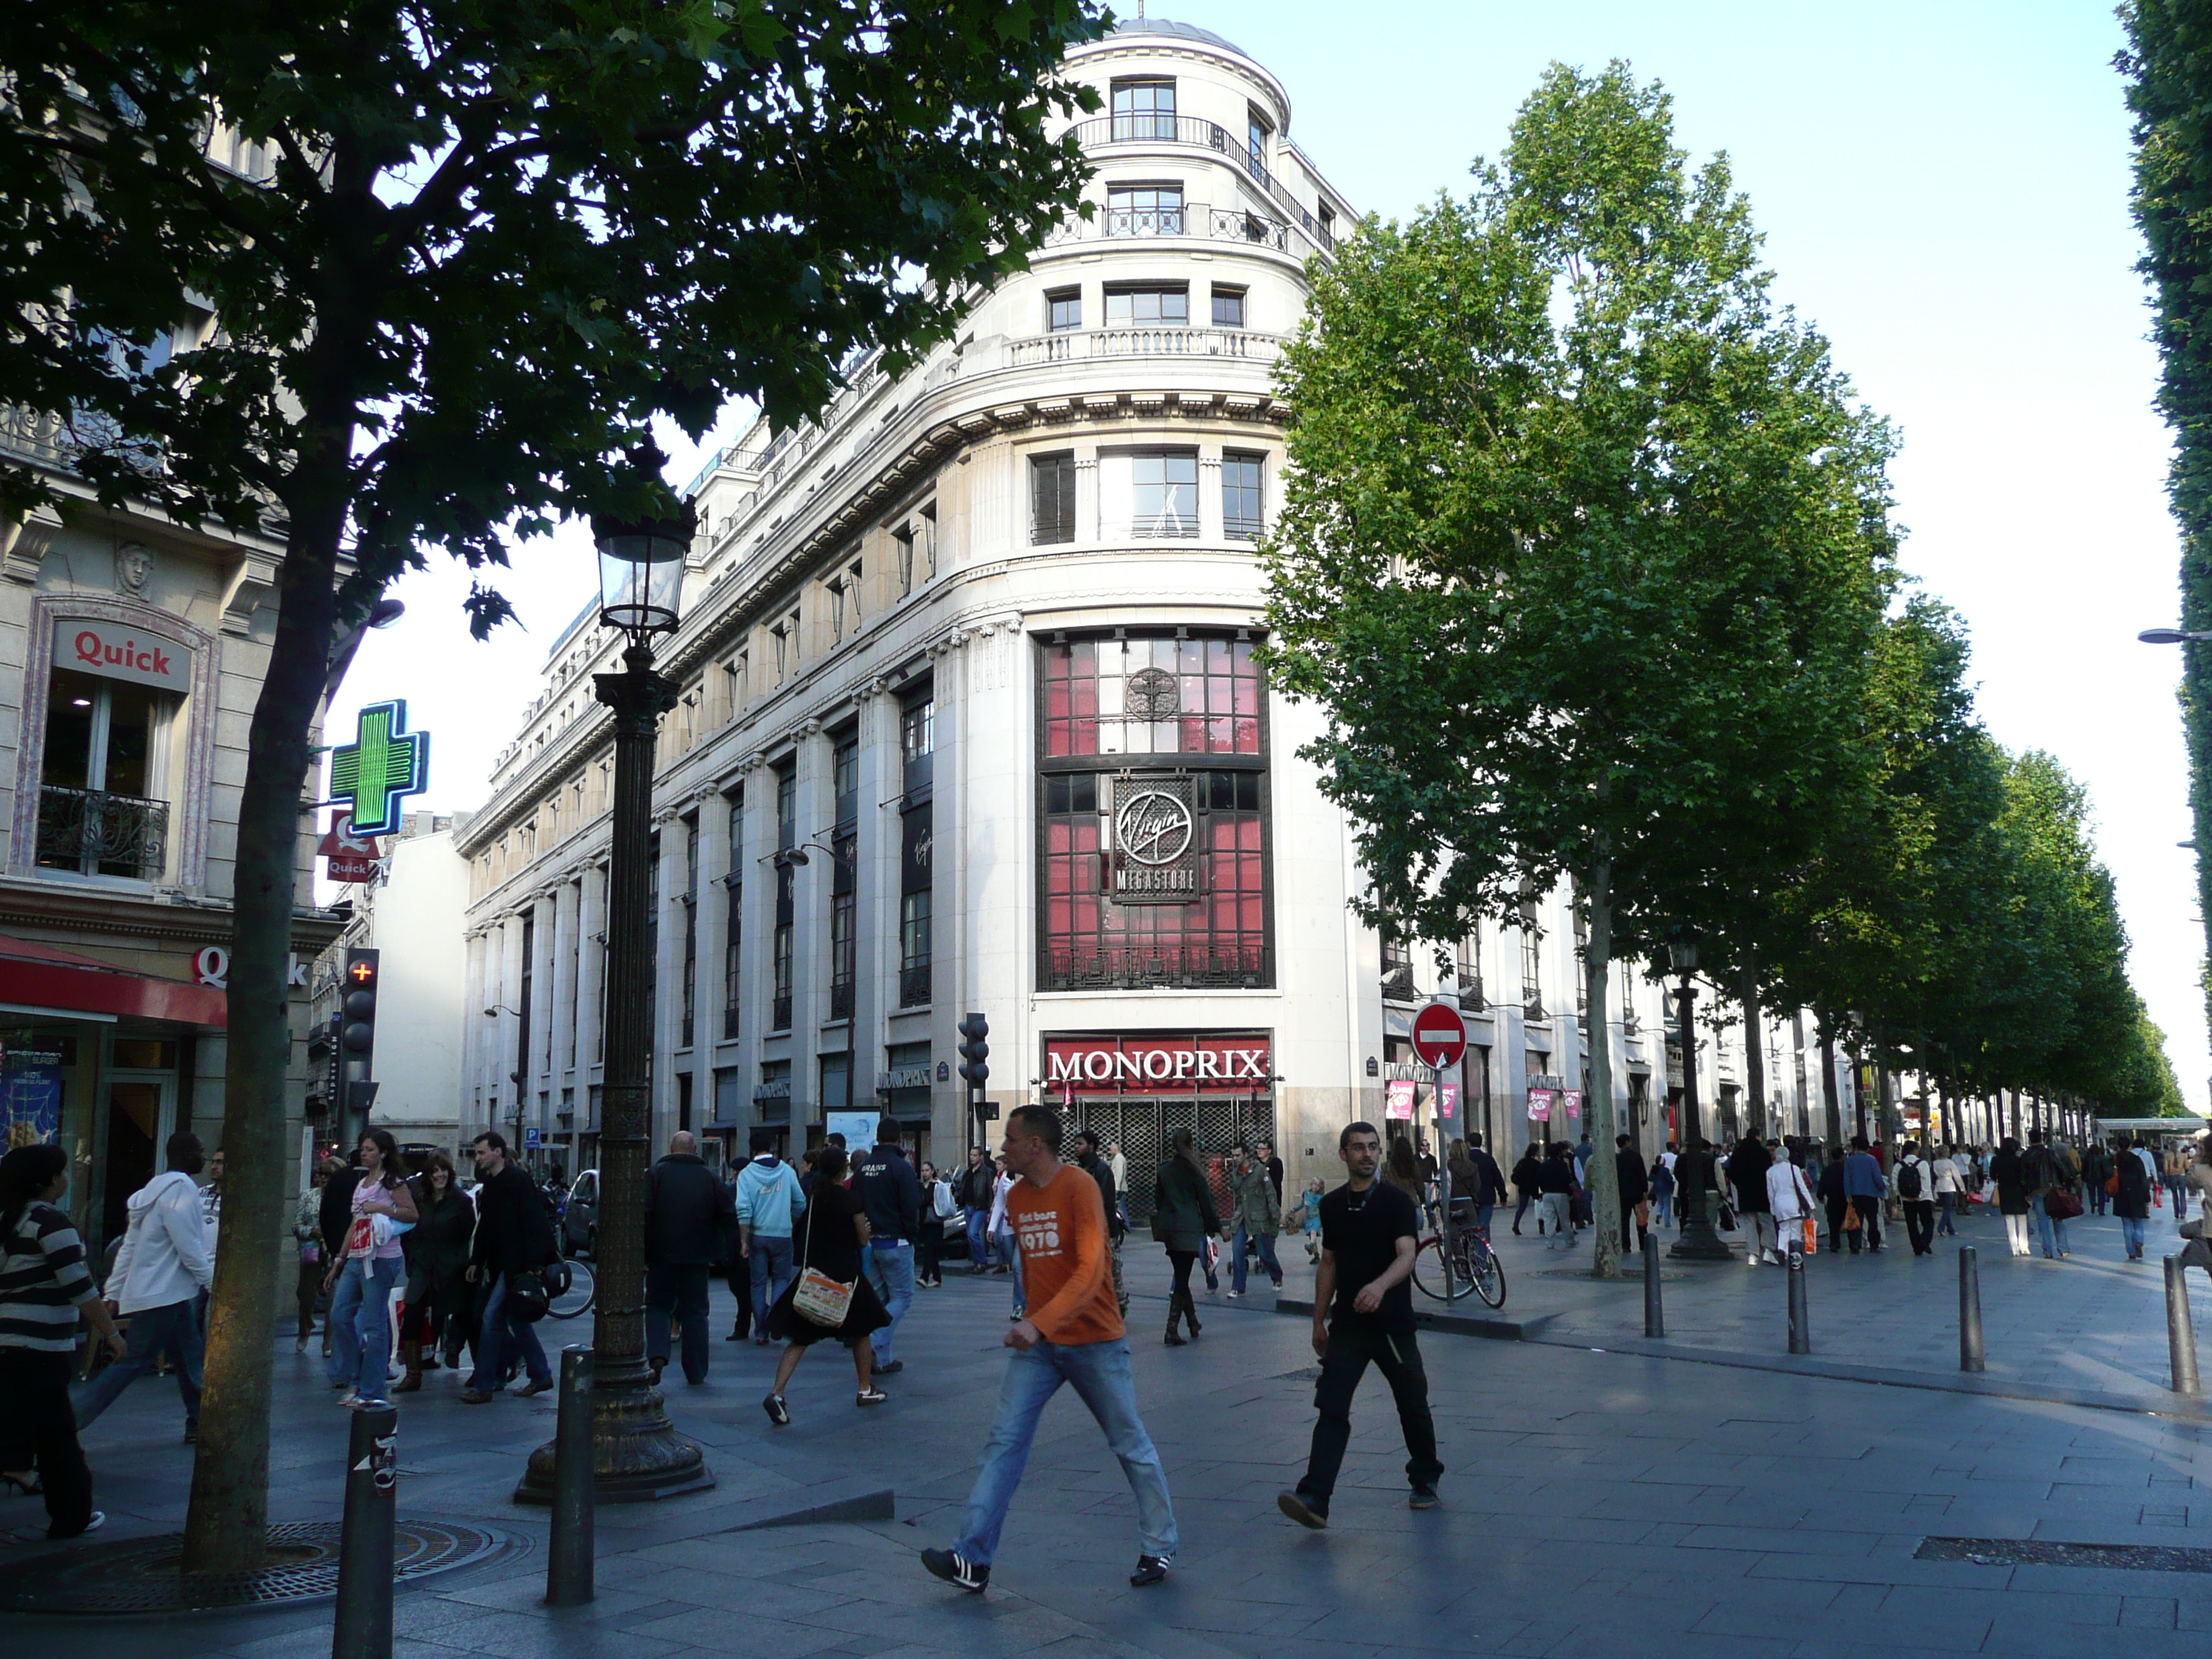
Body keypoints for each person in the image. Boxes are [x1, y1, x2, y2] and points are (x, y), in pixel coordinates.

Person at [923, 1105, 1177, 1594]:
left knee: (1129, 1444)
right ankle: (972, 1559)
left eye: (1010, 1141)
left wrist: (1038, 1323)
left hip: (1096, 1341)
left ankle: (1160, 1545)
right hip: (1040, 1346)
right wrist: (1030, 1320)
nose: (1002, 1149)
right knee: (1004, 1443)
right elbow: (1031, 1268)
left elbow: (1091, 1271)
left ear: (1035, 1145)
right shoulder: (1016, 1196)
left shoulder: (1080, 1187)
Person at [1277, 1122, 1442, 1531]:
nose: (1367, 1154)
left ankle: (1425, 1477)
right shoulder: (1331, 1206)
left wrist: (1380, 1286)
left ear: (1380, 1153)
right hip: (1348, 1325)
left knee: (1412, 1404)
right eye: (1358, 1148)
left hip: (1392, 1325)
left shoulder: (1396, 1202)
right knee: (1331, 1407)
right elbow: (1329, 1263)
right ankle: (1315, 1497)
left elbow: (1407, 1255)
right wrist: (1318, 1320)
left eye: (1373, 1147)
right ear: (1344, 1155)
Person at [1, 1143, 126, 1539]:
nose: (68, 1178)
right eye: (64, 1172)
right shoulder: (50, 1223)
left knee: (32, 1426)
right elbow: (81, 1287)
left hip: (6, 1346)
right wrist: (111, 1333)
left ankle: (19, 1469)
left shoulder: (8, 1219)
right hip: (40, 1348)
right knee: (58, 1439)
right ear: (49, 1180)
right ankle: (72, 1516)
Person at [72, 1130, 215, 1441]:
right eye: (201, 1152)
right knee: (135, 1361)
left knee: (190, 1356)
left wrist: (113, 1291)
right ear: (188, 1155)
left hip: (160, 1294)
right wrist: (212, 1283)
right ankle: (69, 1422)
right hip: (167, 1294)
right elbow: (189, 1246)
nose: (203, 1158)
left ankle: (199, 1421)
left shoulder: (149, 1195)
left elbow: (128, 1247)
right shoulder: (184, 1190)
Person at [761, 1145, 890, 1422]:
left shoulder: (815, 1198)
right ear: (843, 1170)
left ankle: (777, 1393)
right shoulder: (850, 1199)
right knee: (862, 1330)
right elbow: (863, 1240)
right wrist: (864, 1230)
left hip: (815, 1275)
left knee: (800, 1338)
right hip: (845, 1276)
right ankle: (864, 1388)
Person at [320, 1129, 418, 1408]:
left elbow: (411, 1214)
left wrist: (381, 1208)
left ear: (384, 1153)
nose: (365, 1153)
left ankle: (371, 1388)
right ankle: (358, 1376)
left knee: (375, 1325)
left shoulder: (393, 1183)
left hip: (382, 1257)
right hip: (357, 1256)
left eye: (370, 1149)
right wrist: (339, 1260)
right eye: (363, 1149)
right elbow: (355, 1223)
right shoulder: (362, 1182)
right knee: (340, 1315)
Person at [462, 1130, 556, 1403]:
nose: (478, 1158)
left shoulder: (516, 1180)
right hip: (504, 1263)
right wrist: (477, 1261)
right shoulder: (492, 1184)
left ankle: (484, 1386)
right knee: (516, 1320)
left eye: (481, 1152)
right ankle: (540, 1374)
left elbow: (533, 1221)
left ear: (498, 1152)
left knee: (492, 1318)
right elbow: (488, 1228)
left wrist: (533, 1263)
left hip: (517, 1264)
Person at [644, 1130, 735, 1387]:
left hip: (662, 1255)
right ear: (695, 1150)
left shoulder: (656, 1175)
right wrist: (726, 1251)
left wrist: (646, 1252)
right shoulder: (710, 1177)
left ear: (672, 1148)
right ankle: (696, 1371)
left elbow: (646, 1213)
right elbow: (728, 1214)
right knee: (696, 1311)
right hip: (698, 1256)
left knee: (658, 1306)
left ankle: (657, 1355)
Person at [394, 1151, 475, 1391]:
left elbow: (469, 1236)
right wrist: (413, 1260)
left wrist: (463, 1262)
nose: (439, 1175)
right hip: (423, 1266)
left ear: (449, 1174)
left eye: (443, 1171)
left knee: (465, 1318)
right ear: (428, 1176)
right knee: (412, 1316)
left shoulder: (461, 1201)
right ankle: (412, 1374)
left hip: (451, 1268)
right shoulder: (421, 1199)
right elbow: (409, 1232)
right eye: (434, 1172)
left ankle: (482, 1370)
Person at [855, 1119, 922, 1375]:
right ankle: (874, 1343)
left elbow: (857, 1206)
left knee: (880, 1299)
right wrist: (911, 1235)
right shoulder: (901, 1168)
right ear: (899, 1138)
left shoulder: (863, 1168)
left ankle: (884, 1359)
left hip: (871, 1242)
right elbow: (911, 1206)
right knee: (902, 1297)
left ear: (877, 1136)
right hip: (897, 1241)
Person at [736, 1128, 807, 1343]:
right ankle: (775, 1321)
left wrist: (743, 1240)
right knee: (782, 1280)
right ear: (772, 1147)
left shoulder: (746, 1174)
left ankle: (761, 1330)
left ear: (752, 1148)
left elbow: (743, 1209)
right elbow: (800, 1202)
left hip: (758, 1235)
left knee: (757, 1284)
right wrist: (791, 1220)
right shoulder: (787, 1171)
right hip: (783, 1235)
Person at [1151, 1128, 1220, 1346]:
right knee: (1182, 1279)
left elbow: (1158, 1200)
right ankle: (1171, 1329)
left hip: (1169, 1228)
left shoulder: (1164, 1170)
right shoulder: (1195, 1171)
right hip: (1188, 1228)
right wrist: (1214, 1227)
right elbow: (1206, 1203)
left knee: (1181, 1275)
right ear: (1191, 1145)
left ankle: (1193, 1322)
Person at [1071, 1130, 1129, 1317]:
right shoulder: (1079, 1170)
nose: (1076, 1147)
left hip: (1102, 1229)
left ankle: (1119, 1303)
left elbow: (1104, 1202)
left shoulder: (1101, 1170)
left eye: (1080, 1144)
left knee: (1110, 1268)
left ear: (1091, 1146)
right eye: (1075, 1144)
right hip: (1084, 1229)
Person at [293, 1157, 339, 1354]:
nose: (323, 1178)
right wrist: (312, 1231)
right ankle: (305, 1329)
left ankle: (328, 1342)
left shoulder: (344, 1198)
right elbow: (296, 1225)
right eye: (320, 1173)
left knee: (333, 1298)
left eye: (328, 1174)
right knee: (306, 1295)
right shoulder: (308, 1196)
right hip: (311, 1248)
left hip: (334, 1251)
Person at [1228, 1146, 1283, 1295]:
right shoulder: (1236, 1174)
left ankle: (1277, 1276)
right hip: (1242, 1216)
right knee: (1238, 1250)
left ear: (1246, 1155)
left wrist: (1274, 1214)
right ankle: (1238, 1287)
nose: (1235, 1159)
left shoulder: (1259, 1170)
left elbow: (1270, 1192)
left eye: (1238, 1155)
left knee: (1264, 1252)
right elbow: (1238, 1197)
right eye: (1233, 1156)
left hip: (1258, 1216)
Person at [2022, 1128, 2072, 1260]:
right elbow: (2061, 1169)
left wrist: (2026, 1191)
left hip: (2037, 1191)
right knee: (2058, 1219)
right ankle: (2063, 1248)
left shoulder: (2026, 1155)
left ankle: (2047, 1251)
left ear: (2029, 1139)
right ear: (2042, 1139)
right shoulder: (2050, 1153)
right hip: (2053, 1189)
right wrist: (2064, 1185)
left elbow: (2023, 1175)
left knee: (2042, 1222)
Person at [1727, 1134, 1776, 1265]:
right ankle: (1768, 1250)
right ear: (1758, 1137)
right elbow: (1769, 1171)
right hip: (1762, 1193)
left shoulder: (1738, 1153)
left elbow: (1731, 1172)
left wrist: (1740, 1185)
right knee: (1766, 1223)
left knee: (1750, 1224)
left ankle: (1753, 1253)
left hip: (1746, 1194)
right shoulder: (1763, 1153)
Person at [1766, 1144, 1817, 1259]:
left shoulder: (1770, 1171)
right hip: (1794, 1204)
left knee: (1783, 1230)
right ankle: (1795, 1253)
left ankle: (1782, 1250)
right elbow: (1802, 1187)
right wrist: (1811, 1204)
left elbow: (1770, 1193)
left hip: (1779, 1204)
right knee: (1795, 1230)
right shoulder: (1794, 1169)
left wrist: (1772, 1209)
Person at [1842, 1135, 1886, 1254]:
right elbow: (1877, 1177)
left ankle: (1855, 1244)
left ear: (1855, 1147)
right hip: (1871, 1194)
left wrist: (1848, 1194)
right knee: (1872, 1220)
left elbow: (1847, 1179)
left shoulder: (1850, 1160)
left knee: (1856, 1221)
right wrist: (1882, 1189)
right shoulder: (1872, 1160)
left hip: (1856, 1194)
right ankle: (1874, 1245)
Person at [990, 1156, 1024, 1313]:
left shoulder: (1033, 1177)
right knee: (1015, 1265)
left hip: (1025, 1228)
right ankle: (1021, 1301)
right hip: (1008, 1227)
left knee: (1018, 1267)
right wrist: (992, 1227)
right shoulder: (1005, 1179)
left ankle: (1020, 1305)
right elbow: (999, 1203)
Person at [2113, 1134, 2154, 1261]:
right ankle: (2139, 1242)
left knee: (2126, 1224)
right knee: (2138, 1222)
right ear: (2130, 1146)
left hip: (2121, 1195)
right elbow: (2143, 1179)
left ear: (2118, 1146)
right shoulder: (2137, 1160)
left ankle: (2131, 1251)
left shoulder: (2114, 1160)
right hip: (2137, 1195)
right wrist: (2147, 1197)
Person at [1895, 1141, 1938, 1257]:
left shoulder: (1899, 1166)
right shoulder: (1922, 1164)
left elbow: (1895, 1183)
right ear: (1914, 1150)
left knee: (1912, 1224)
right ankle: (1924, 1239)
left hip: (1907, 1200)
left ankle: (1917, 1248)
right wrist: (1920, 1195)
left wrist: (1903, 1196)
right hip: (1923, 1199)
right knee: (1928, 1222)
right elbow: (1926, 1182)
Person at [1989, 1136, 2031, 1257]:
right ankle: (2024, 1246)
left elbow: (1992, 1175)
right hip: (2018, 1190)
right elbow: (2024, 1176)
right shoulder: (2018, 1160)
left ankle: (2014, 1248)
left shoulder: (1996, 1160)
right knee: (2022, 1218)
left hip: (2004, 1190)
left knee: (2009, 1219)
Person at [957, 1147, 996, 1273]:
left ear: (981, 1157)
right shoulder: (968, 1172)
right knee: (970, 1235)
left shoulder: (986, 1172)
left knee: (974, 1234)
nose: (972, 1157)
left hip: (980, 1206)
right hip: (968, 1206)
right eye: (971, 1155)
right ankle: (977, 1262)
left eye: (974, 1155)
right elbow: (962, 1189)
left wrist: (991, 1210)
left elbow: (990, 1192)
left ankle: (982, 1260)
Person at [1614, 1134, 1650, 1256]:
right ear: (1626, 1143)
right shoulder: (1636, 1157)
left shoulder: (1617, 1158)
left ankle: (1626, 1245)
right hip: (1637, 1193)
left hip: (1623, 1194)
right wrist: (1645, 1190)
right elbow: (1642, 1174)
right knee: (1641, 1219)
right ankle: (1643, 1243)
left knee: (1624, 1220)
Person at [917, 1160, 951, 1289]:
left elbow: (943, 1202)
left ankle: (924, 1277)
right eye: (923, 1171)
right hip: (924, 1221)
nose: (925, 1173)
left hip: (935, 1221)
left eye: (927, 1170)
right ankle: (937, 1278)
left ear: (932, 1171)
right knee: (931, 1251)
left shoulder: (938, 1185)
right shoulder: (920, 1186)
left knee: (929, 1249)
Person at [1537, 1142, 1574, 1249]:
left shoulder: (1543, 1165)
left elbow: (1539, 1180)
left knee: (1549, 1218)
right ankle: (1569, 1240)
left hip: (1547, 1194)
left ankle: (1550, 1241)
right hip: (1561, 1193)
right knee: (1564, 1218)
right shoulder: (1562, 1165)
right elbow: (1567, 1180)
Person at [1933, 1142, 1964, 1237]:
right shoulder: (1950, 1163)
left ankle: (1951, 1230)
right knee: (1947, 1209)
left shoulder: (1934, 1163)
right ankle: (1941, 1227)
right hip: (1949, 1186)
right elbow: (1957, 1176)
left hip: (1939, 1186)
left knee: (1945, 1209)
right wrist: (1962, 1188)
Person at [1511, 1143, 1542, 1235]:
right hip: (1534, 1188)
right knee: (1539, 1207)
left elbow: (1515, 1172)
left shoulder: (1522, 1162)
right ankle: (1541, 1226)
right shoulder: (1536, 1164)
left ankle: (1516, 1225)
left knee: (1521, 1208)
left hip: (1523, 1187)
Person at [1649, 1149, 1676, 1231]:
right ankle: (1667, 1222)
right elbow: (1669, 1179)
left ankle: (1659, 1213)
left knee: (1660, 1203)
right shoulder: (1665, 1170)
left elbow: (1650, 1178)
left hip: (1657, 1189)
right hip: (1666, 1189)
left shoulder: (1654, 1169)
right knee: (1667, 1205)